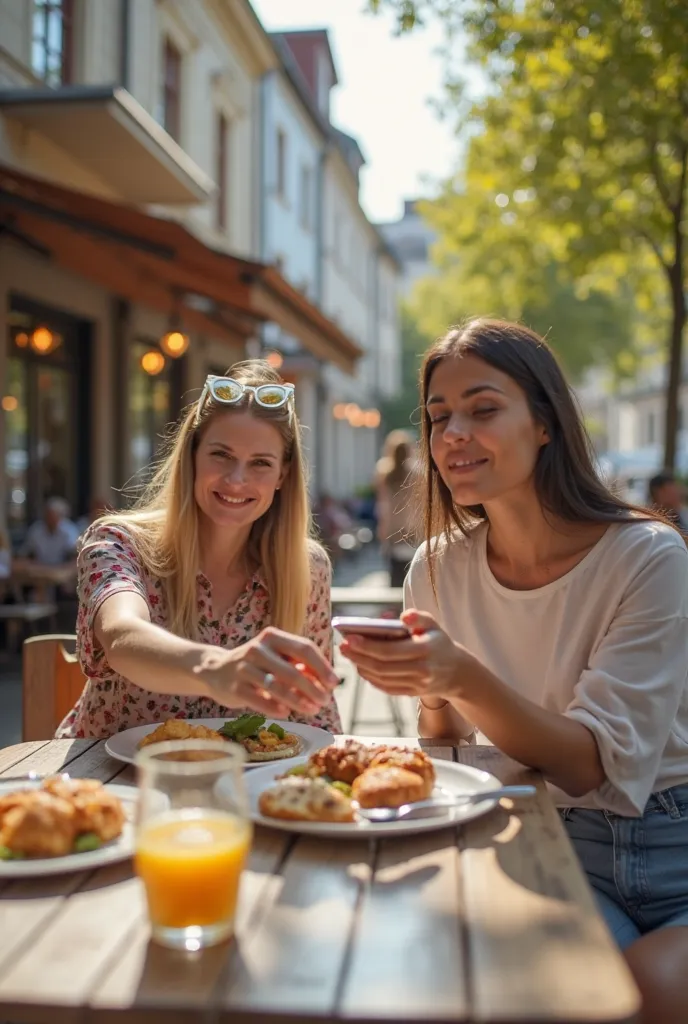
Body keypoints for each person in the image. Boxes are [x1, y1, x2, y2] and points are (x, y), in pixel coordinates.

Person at [339, 319, 688, 1023]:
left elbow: (593, 765)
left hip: (674, 839)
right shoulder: (435, 568)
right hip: (544, 838)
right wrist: (432, 688)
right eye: (439, 417)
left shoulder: (649, 557)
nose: (453, 434)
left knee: (651, 988)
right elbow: (444, 753)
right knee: (543, 986)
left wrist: (459, 675)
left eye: (483, 408)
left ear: (546, 424)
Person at [57, 361, 341, 739]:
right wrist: (215, 670)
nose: (236, 480)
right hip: (111, 781)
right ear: (192, 456)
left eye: (260, 463)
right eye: (221, 455)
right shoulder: (118, 542)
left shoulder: (307, 568)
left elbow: (316, 719)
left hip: (245, 786)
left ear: (282, 476)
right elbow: (122, 634)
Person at [374, 430, 417, 587]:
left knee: (395, 577)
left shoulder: (384, 473)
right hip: (412, 531)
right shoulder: (417, 474)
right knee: (413, 576)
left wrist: (383, 532)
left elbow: (383, 506)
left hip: (394, 531)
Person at [21, 497, 79, 566]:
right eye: (47, 515)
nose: (49, 518)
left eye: (52, 515)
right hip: (39, 567)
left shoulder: (69, 530)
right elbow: (28, 552)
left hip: (62, 568)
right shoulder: (36, 529)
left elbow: (73, 554)